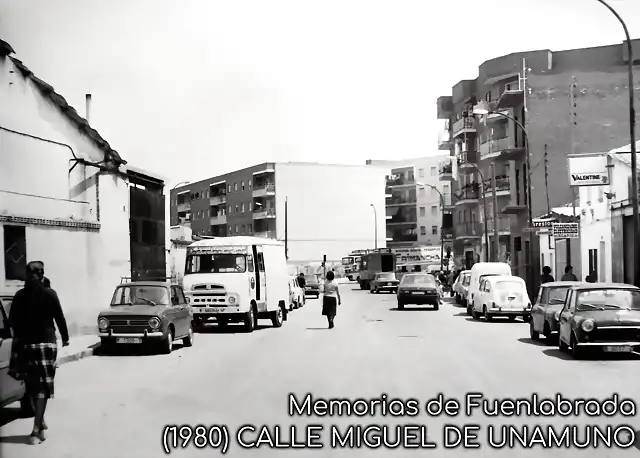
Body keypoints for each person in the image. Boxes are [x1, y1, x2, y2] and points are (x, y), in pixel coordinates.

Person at [9, 261, 69, 445]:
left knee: (32, 384)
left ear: (26, 275)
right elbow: (59, 317)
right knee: (43, 386)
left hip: (27, 345)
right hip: (46, 344)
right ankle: (36, 429)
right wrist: (65, 338)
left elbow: (12, 321)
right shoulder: (50, 294)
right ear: (42, 274)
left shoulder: (19, 296)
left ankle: (40, 421)